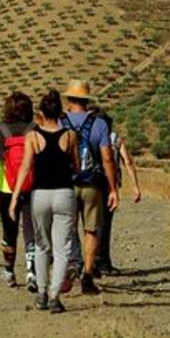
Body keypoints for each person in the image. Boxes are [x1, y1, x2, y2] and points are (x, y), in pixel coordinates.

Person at [9, 90, 79, 313]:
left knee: (41, 245)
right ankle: (54, 296)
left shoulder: (33, 137)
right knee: (62, 249)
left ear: (40, 113)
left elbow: (25, 167)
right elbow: (76, 167)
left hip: (39, 195)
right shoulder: (70, 136)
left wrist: (13, 199)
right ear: (60, 112)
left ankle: (41, 293)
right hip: (64, 194)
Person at [60, 80, 118, 295]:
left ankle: (68, 269)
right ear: (86, 100)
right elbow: (107, 159)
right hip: (93, 184)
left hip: (65, 184)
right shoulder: (99, 123)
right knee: (91, 230)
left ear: (69, 99)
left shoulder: (60, 121)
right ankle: (87, 273)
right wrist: (113, 188)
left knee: (67, 229)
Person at [0, 92, 36, 289]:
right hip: (32, 185)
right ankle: (32, 271)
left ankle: (9, 270)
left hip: (6, 187)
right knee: (31, 230)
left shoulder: (0, 131)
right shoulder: (35, 129)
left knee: (9, 230)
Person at [95, 109, 142, 275]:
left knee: (91, 225)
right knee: (105, 225)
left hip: (90, 183)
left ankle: (89, 261)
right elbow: (127, 161)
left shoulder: (89, 136)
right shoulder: (115, 139)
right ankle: (103, 262)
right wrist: (135, 186)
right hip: (109, 185)